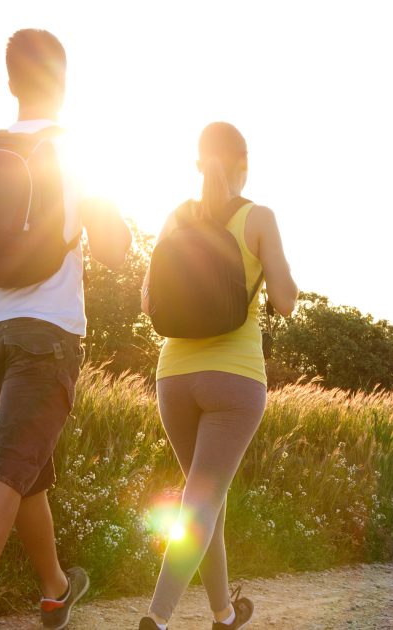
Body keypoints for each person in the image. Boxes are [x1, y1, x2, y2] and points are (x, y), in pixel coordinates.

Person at [0, 28, 131, 630]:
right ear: (63, 85)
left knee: (26, 472)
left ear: (11, 83)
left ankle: (54, 590)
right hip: (48, 333)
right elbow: (118, 252)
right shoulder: (76, 157)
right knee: (8, 470)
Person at [139, 122, 298, 630]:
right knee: (202, 502)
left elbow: (147, 302)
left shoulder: (175, 218)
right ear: (243, 163)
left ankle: (223, 613)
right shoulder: (259, 218)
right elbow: (287, 301)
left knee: (207, 499)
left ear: (199, 162)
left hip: (174, 377)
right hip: (235, 379)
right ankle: (157, 618)